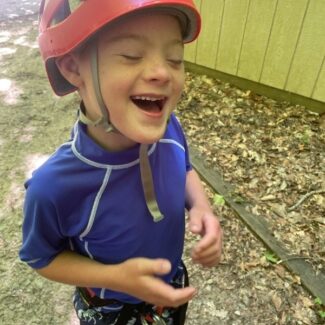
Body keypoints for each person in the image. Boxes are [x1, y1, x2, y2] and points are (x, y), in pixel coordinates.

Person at [19, 0, 223, 324]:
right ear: (73, 68)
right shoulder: (52, 187)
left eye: (175, 59)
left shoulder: (170, 129)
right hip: (109, 309)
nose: (161, 72)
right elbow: (41, 257)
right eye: (131, 55)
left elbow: (183, 168)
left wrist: (201, 207)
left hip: (169, 291)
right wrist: (116, 277)